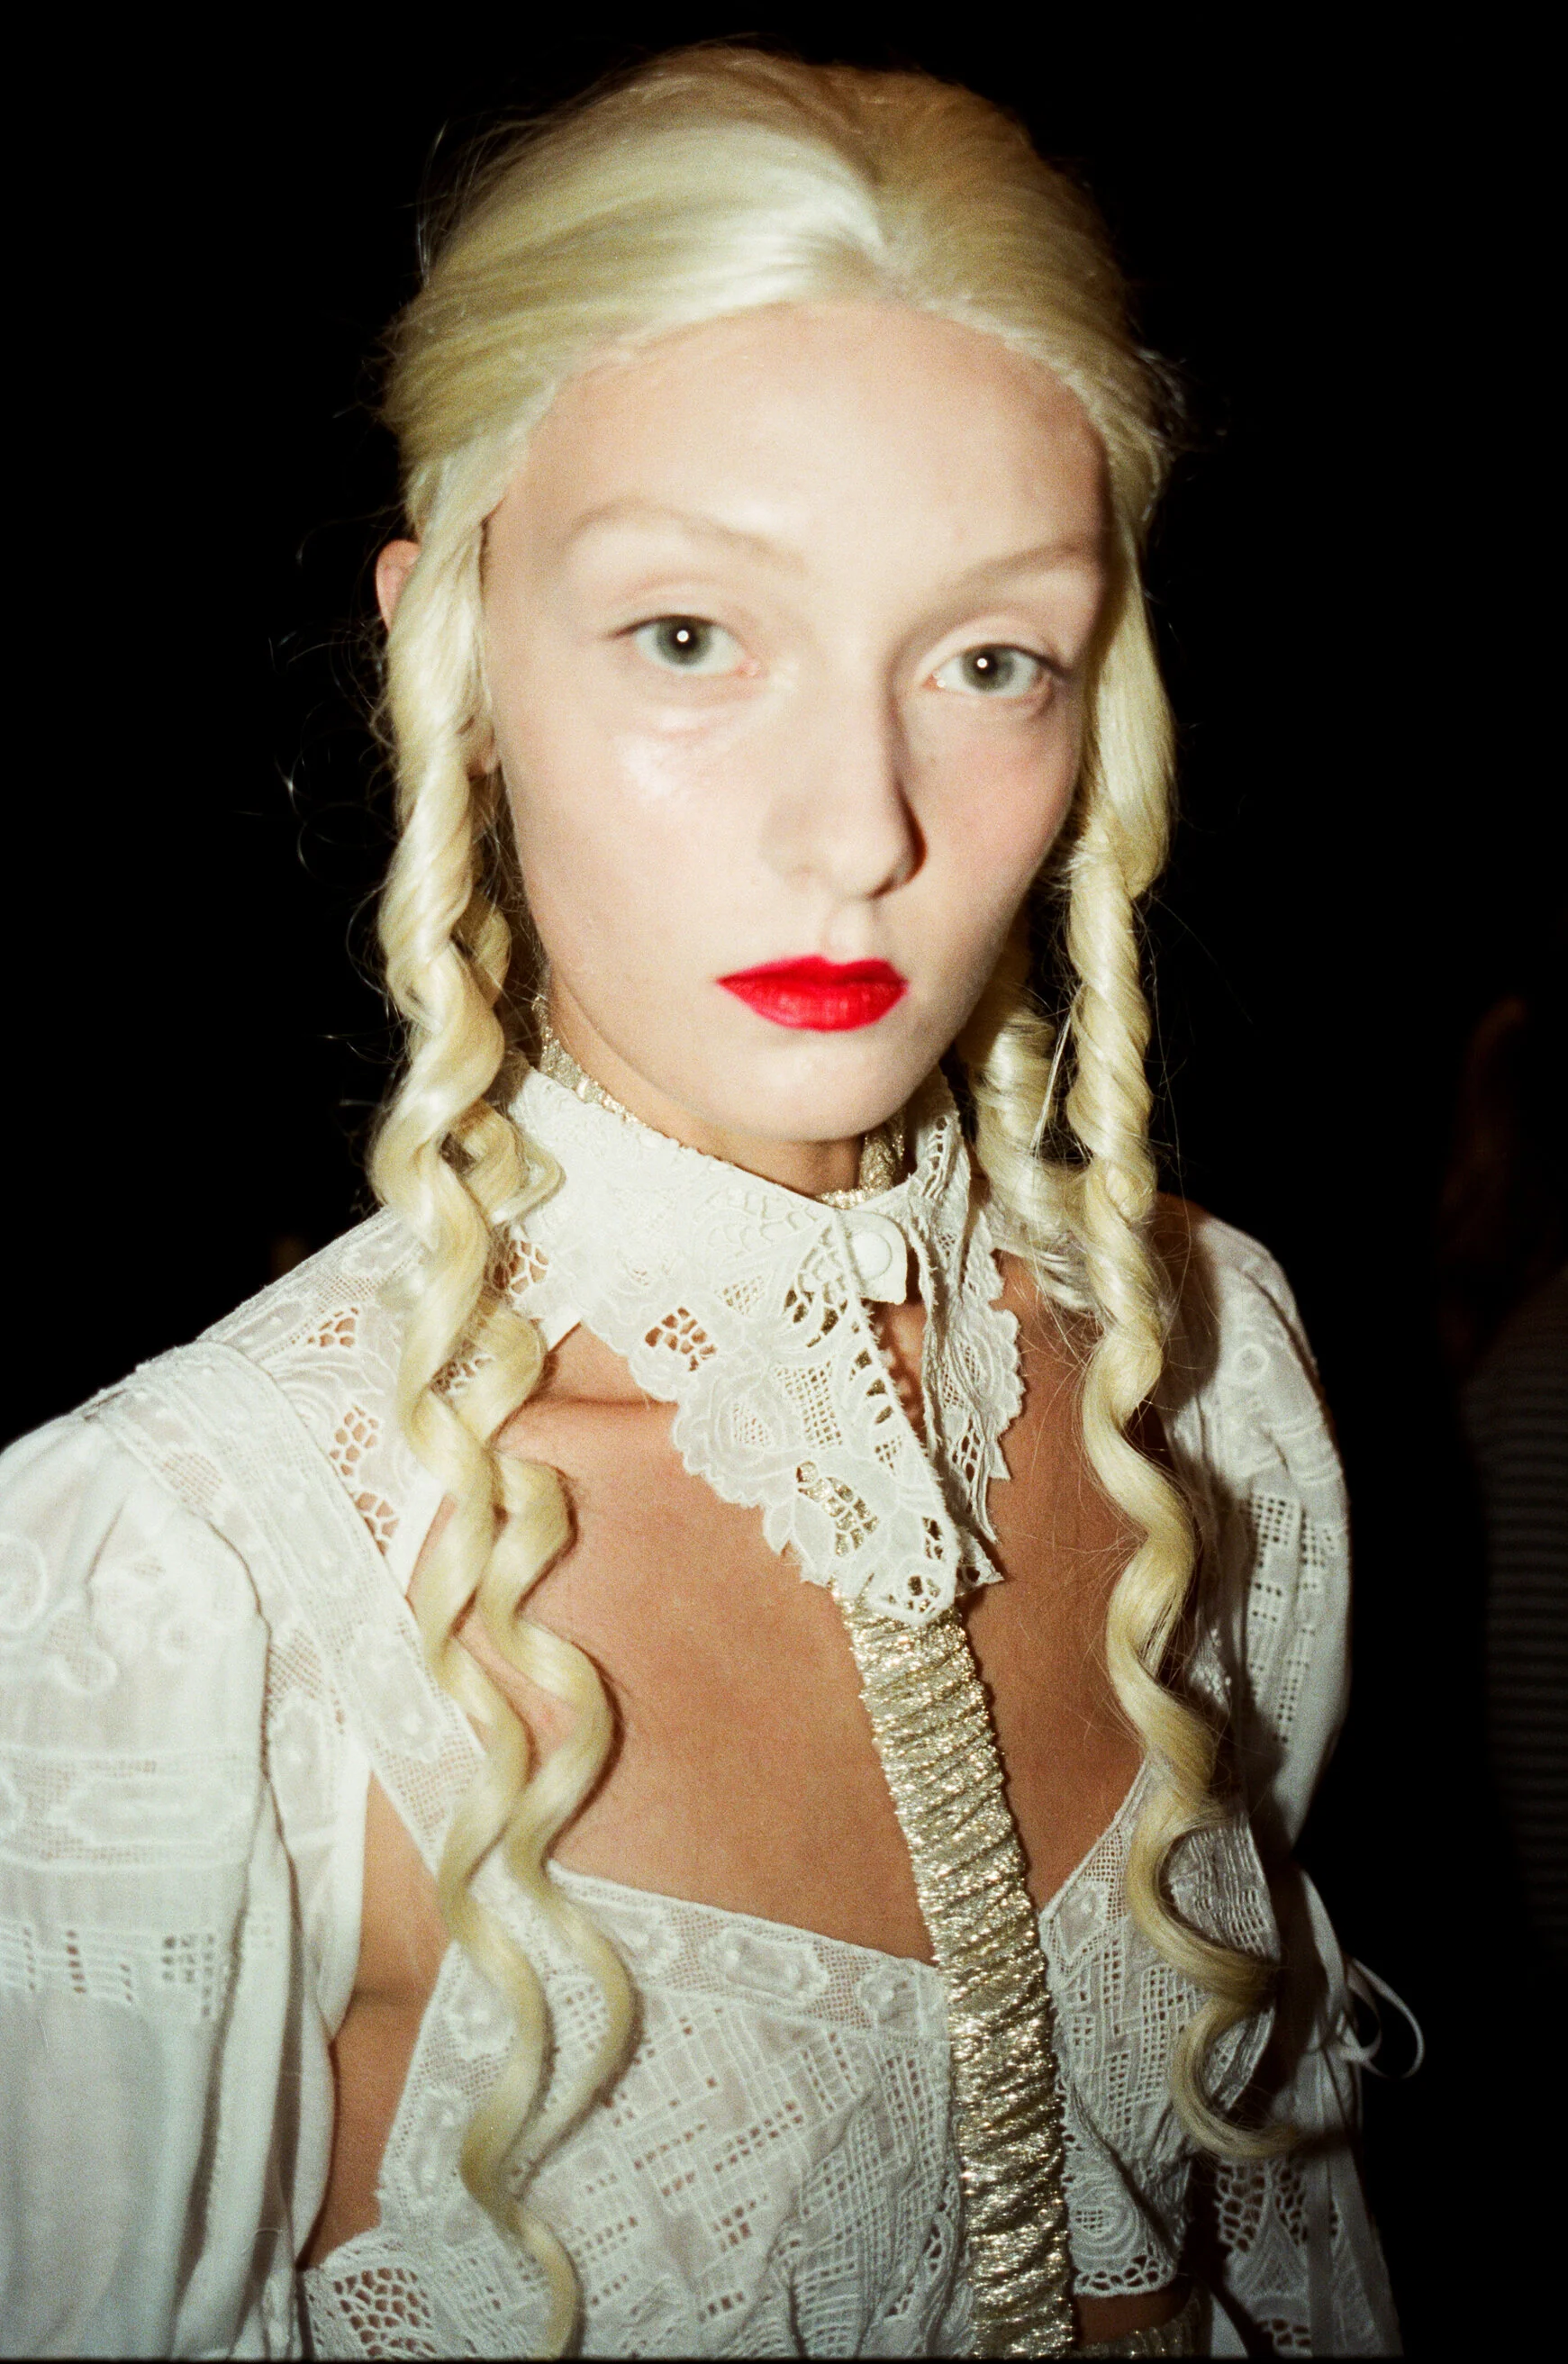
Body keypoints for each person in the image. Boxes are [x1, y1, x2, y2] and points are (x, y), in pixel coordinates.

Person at [0, 46, 1402, 2359]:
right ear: (447, 655)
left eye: (986, 661)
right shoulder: (177, 1587)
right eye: (687, 637)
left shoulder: (1211, 1380)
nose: (857, 824)